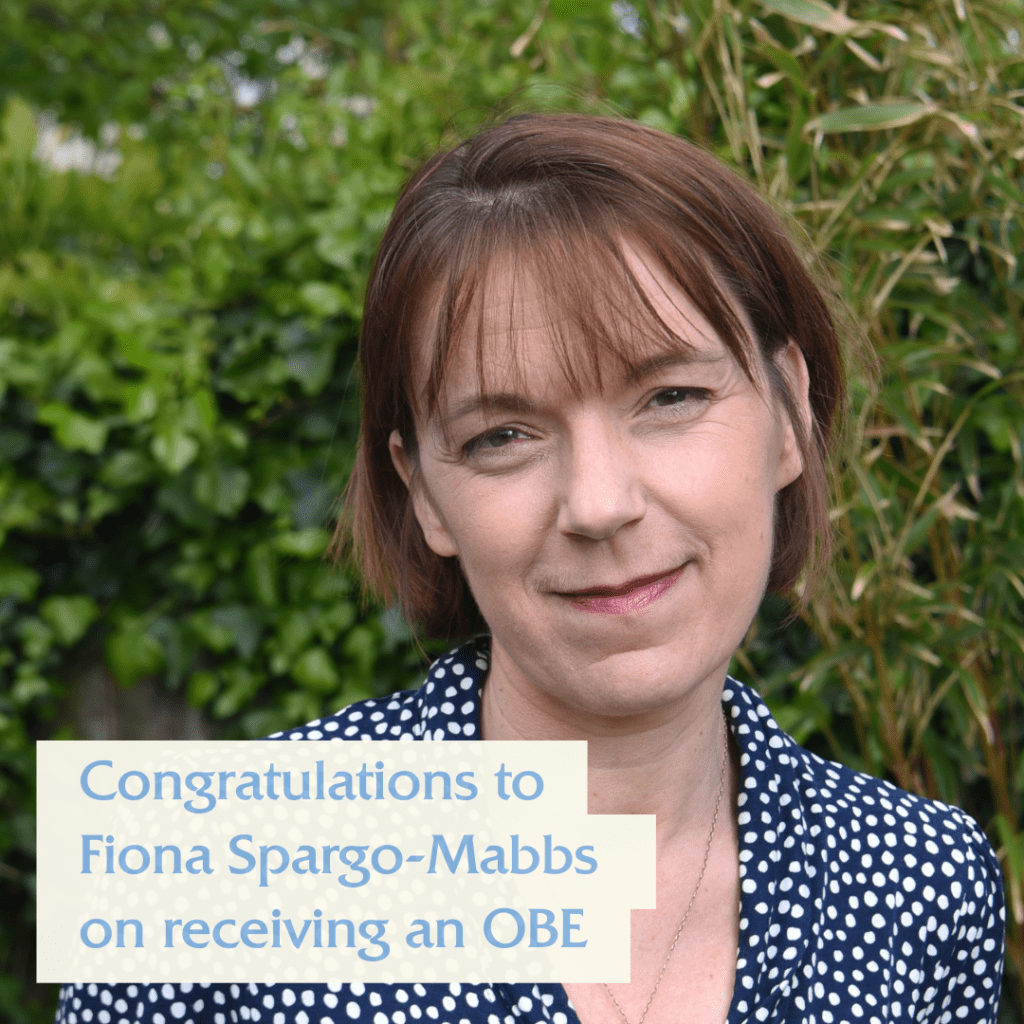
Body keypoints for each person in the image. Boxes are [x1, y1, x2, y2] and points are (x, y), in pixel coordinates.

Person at [57, 114, 1004, 1024]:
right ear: (423, 491)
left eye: (669, 396)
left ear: (790, 410)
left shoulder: (922, 881)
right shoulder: (209, 873)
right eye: (503, 435)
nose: (598, 503)